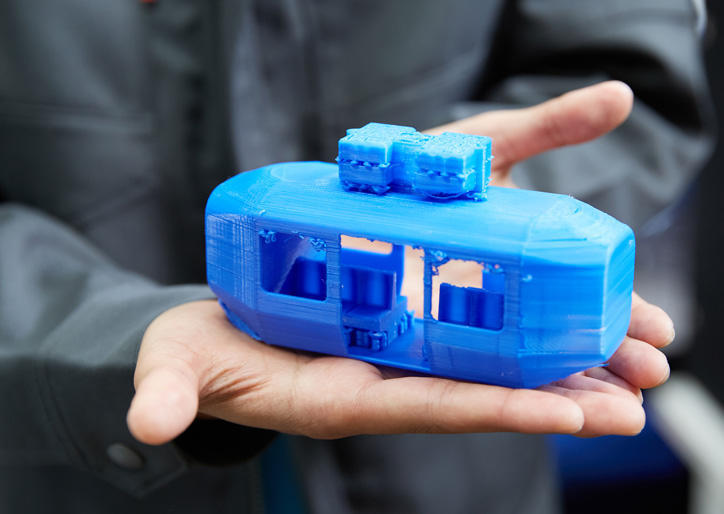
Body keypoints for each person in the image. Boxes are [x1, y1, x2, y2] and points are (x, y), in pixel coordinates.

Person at [0, 1, 711, 513]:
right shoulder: (259, 225)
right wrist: (111, 328)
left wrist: (514, 190)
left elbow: (635, 81)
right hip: (90, 459)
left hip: (455, 478)